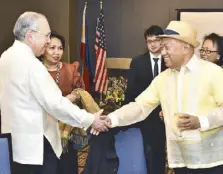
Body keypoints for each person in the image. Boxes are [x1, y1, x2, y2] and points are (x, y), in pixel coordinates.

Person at [94, 21, 223, 174]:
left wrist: (201, 121)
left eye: (167, 47)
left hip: (210, 161)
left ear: (186, 47)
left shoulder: (213, 73)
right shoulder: (163, 79)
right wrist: (112, 118)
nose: (162, 53)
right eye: (162, 47)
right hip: (179, 161)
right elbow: (140, 106)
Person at [0, 11, 110, 174]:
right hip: (37, 147)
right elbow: (55, 104)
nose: (48, 41)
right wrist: (90, 119)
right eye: (46, 35)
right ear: (30, 35)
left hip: (15, 146)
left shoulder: (5, 57)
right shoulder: (31, 64)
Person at [114, 25, 166, 174]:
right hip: (143, 114)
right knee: (142, 151)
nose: (153, 44)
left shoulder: (169, 62)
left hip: (163, 115)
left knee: (159, 150)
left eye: (156, 40)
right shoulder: (137, 62)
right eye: (150, 41)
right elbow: (130, 91)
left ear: (162, 41)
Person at [42, 31, 82, 174]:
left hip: (66, 128)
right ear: (43, 48)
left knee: (67, 165)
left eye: (60, 48)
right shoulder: (36, 70)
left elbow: (81, 91)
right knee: (48, 166)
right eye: (52, 48)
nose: (56, 52)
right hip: (43, 129)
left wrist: (73, 96)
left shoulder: (69, 69)